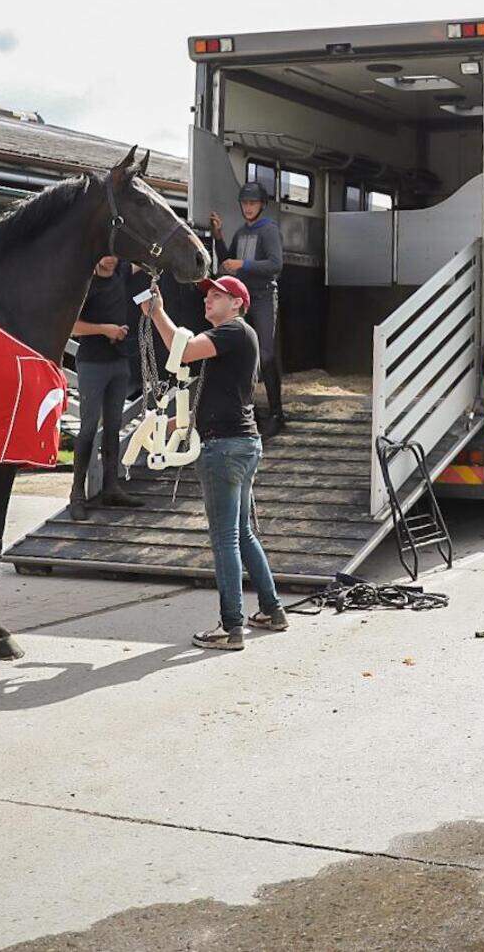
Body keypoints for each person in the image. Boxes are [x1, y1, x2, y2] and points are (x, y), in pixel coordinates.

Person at [141, 273, 288, 651]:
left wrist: (158, 313)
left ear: (238, 303)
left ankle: (231, 627)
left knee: (225, 539)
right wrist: (175, 422)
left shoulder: (232, 332)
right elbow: (215, 392)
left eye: (218, 295)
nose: (209, 299)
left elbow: (181, 349)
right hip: (242, 443)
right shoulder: (233, 340)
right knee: (241, 533)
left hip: (223, 448)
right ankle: (271, 610)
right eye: (208, 295)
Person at [67, 254, 146, 516]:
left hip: (119, 361)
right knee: (89, 427)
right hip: (92, 363)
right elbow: (73, 327)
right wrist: (105, 329)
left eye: (114, 254)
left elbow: (145, 257)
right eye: (104, 255)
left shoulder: (122, 270)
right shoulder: (85, 283)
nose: (110, 260)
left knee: (114, 426)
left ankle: (111, 487)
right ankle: (76, 494)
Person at [208, 181, 285, 437]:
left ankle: (277, 413)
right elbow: (228, 261)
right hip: (242, 298)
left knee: (266, 354)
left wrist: (244, 264)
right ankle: (250, 411)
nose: (248, 207)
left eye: (253, 203)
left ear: (262, 205)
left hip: (263, 296)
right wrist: (218, 235)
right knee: (243, 353)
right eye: (245, 203)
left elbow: (275, 264)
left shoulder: (269, 229)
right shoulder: (241, 232)